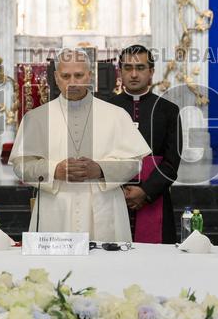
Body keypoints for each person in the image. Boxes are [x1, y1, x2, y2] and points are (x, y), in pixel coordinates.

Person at [10, 48, 151, 241]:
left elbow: (135, 163)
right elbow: (21, 166)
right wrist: (55, 170)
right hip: (56, 207)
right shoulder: (36, 118)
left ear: (90, 75)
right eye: (66, 76)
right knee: (55, 270)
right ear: (56, 77)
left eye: (79, 75)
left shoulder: (116, 115)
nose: (72, 82)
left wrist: (100, 169)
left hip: (105, 207)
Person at [102, 44, 183, 243]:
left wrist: (146, 191)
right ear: (120, 72)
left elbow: (172, 163)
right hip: (111, 196)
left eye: (140, 68)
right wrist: (119, 189)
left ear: (151, 72)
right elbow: (98, 155)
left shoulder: (168, 110)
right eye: (128, 68)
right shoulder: (104, 109)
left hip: (155, 197)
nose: (134, 74)